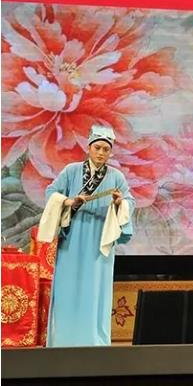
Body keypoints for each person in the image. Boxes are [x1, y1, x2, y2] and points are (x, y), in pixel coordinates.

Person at [38, 125, 135, 346]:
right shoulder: (71, 171)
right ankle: (63, 340)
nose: (101, 153)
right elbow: (51, 192)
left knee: (95, 289)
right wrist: (69, 201)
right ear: (88, 148)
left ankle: (93, 341)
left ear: (110, 152)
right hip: (73, 237)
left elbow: (130, 201)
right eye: (97, 147)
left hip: (100, 238)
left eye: (106, 149)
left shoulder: (116, 177)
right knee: (67, 286)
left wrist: (120, 203)